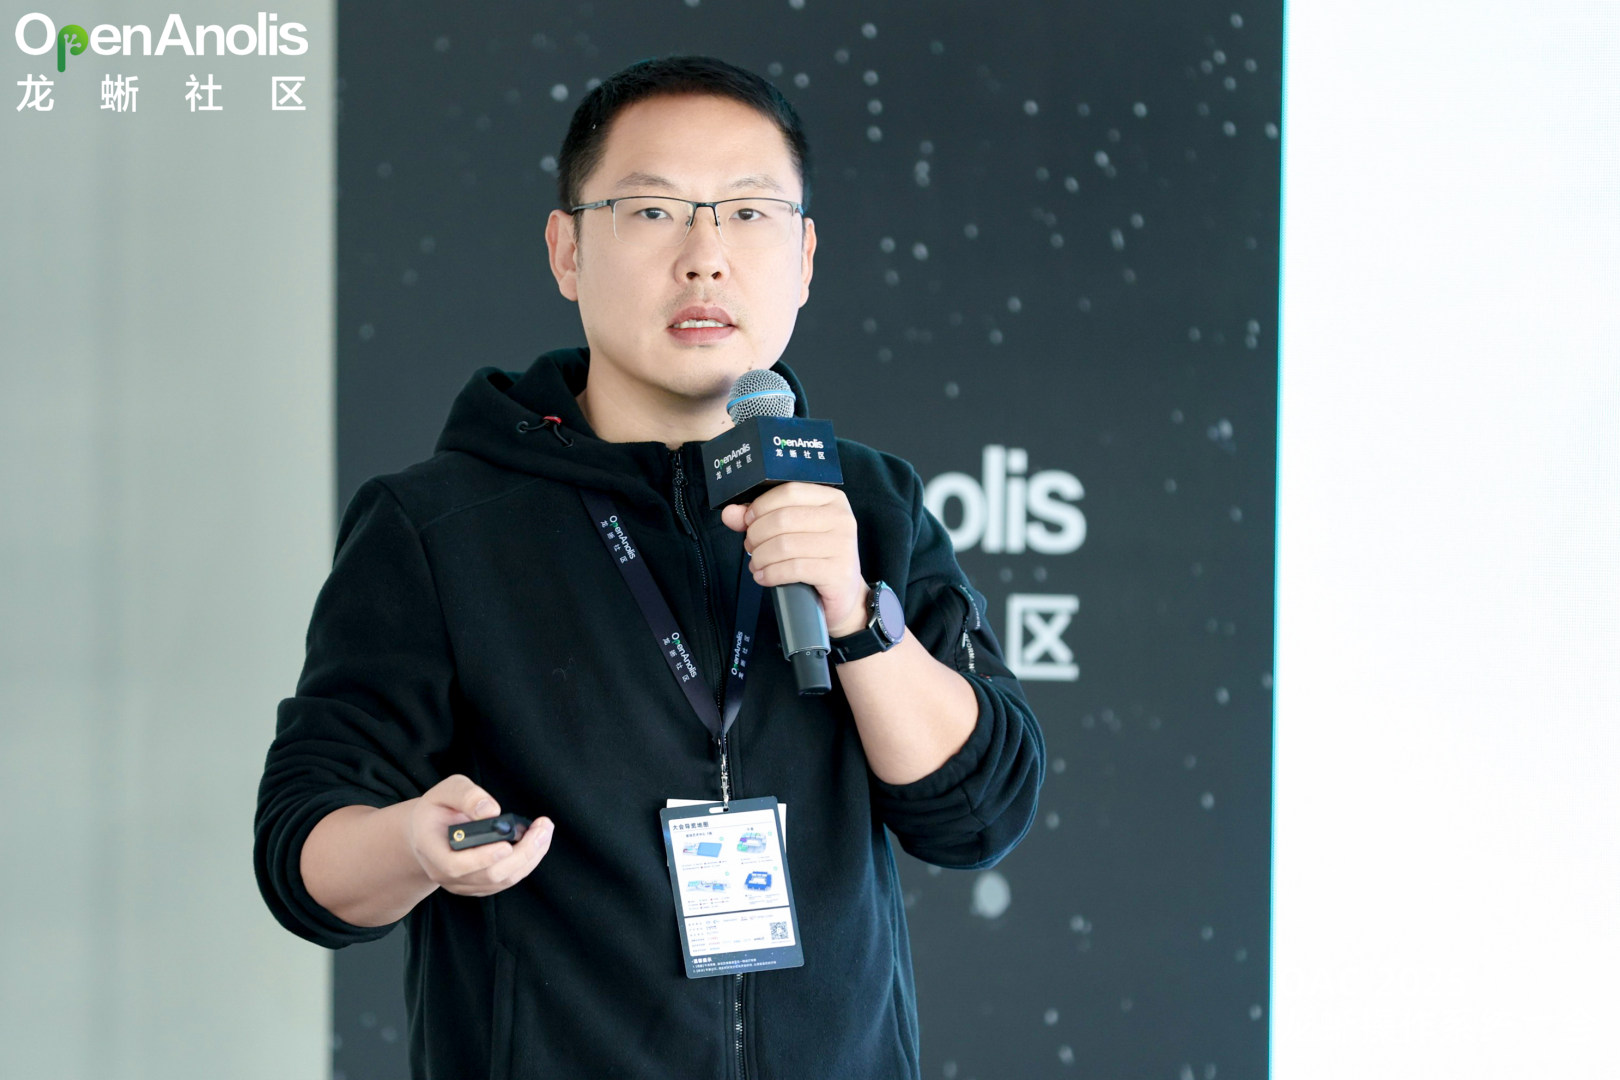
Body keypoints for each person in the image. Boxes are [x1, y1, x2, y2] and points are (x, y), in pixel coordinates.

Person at [254, 55, 1044, 1079]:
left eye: (749, 213)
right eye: (653, 211)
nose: (705, 258)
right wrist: (410, 844)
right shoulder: (437, 526)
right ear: (567, 250)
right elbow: (304, 855)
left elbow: (980, 813)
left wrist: (855, 613)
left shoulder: (866, 503)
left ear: (805, 256)